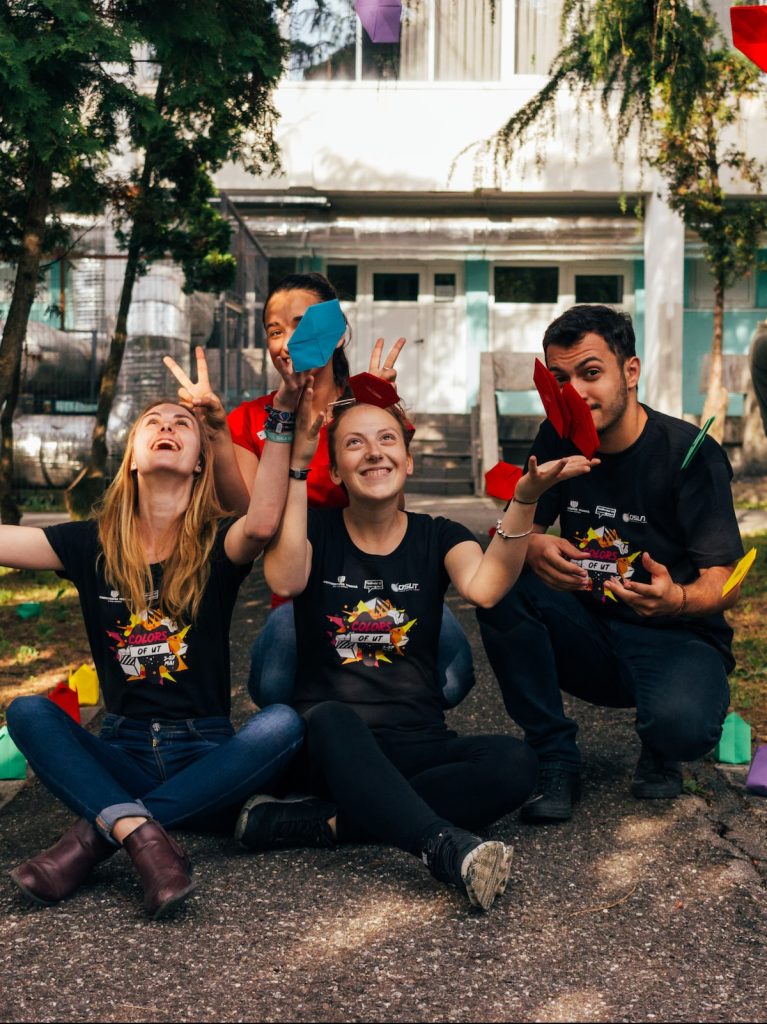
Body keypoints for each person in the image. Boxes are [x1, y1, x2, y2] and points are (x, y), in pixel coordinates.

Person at [235, 398, 596, 910]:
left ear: (408, 460)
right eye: (353, 443)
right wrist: (298, 465)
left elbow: (488, 588)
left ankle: (320, 822)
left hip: (418, 743)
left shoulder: (439, 534)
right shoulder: (315, 530)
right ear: (335, 469)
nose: (373, 453)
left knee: (515, 762)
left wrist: (526, 499)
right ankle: (442, 846)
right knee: (331, 717)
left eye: (387, 439)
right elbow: (284, 579)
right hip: (330, 746)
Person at [5, 363, 315, 919]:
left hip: (209, 752)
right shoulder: (89, 545)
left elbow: (264, 522)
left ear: (200, 460)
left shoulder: (217, 542)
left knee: (283, 725)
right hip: (121, 749)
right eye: (153, 421)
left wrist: (283, 413)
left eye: (181, 422)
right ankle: (142, 832)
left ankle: (95, 836)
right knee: (28, 711)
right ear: (132, 457)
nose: (167, 425)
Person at [477, 304, 745, 824]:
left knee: (684, 729)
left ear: (631, 371)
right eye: (560, 378)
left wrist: (680, 600)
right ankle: (554, 755)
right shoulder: (556, 436)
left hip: (676, 634)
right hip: (589, 628)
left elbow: (726, 580)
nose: (574, 392)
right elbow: (519, 524)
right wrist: (531, 545)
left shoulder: (690, 454)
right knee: (499, 580)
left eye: (590, 373)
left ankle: (661, 743)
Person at [185, 271, 474, 710]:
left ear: (336, 333)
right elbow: (249, 522)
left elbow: (393, 508)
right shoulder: (249, 418)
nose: (285, 342)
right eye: (275, 331)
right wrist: (220, 437)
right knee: (274, 687)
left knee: (452, 677)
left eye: (300, 325)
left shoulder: (368, 404)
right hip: (301, 590)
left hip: (386, 586)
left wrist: (377, 410)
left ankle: (396, 731)